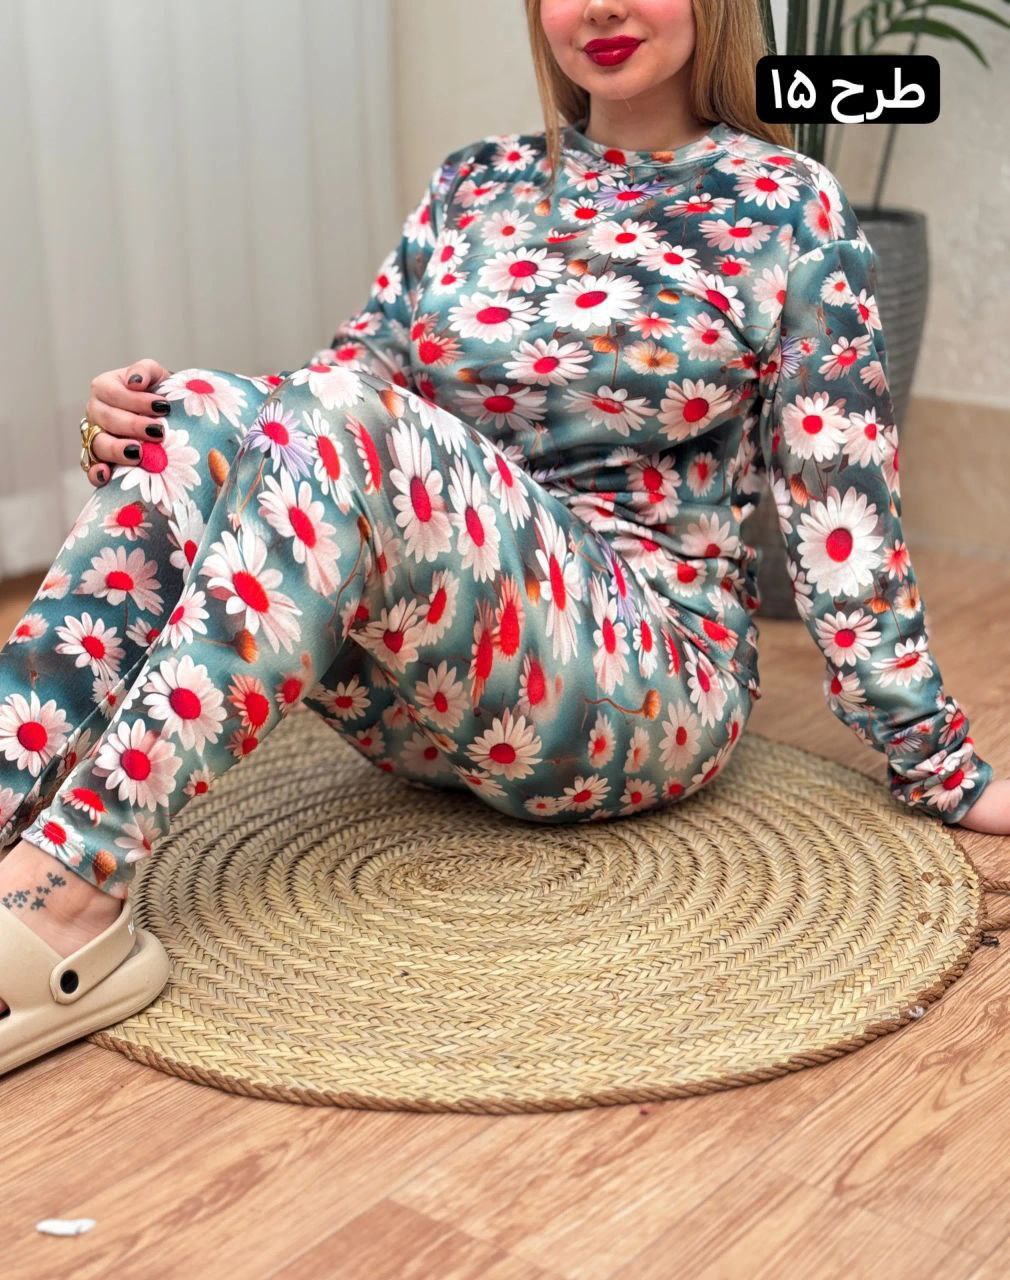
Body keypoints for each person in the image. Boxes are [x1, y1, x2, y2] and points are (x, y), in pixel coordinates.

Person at [0, 0, 1006, 1024]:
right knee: (197, 408)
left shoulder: (788, 205)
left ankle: (68, 889)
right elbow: (325, 406)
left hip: (642, 682)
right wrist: (143, 432)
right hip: (434, 690)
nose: (601, 5)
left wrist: (939, 764)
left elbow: (842, 511)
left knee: (324, 419)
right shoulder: (474, 181)